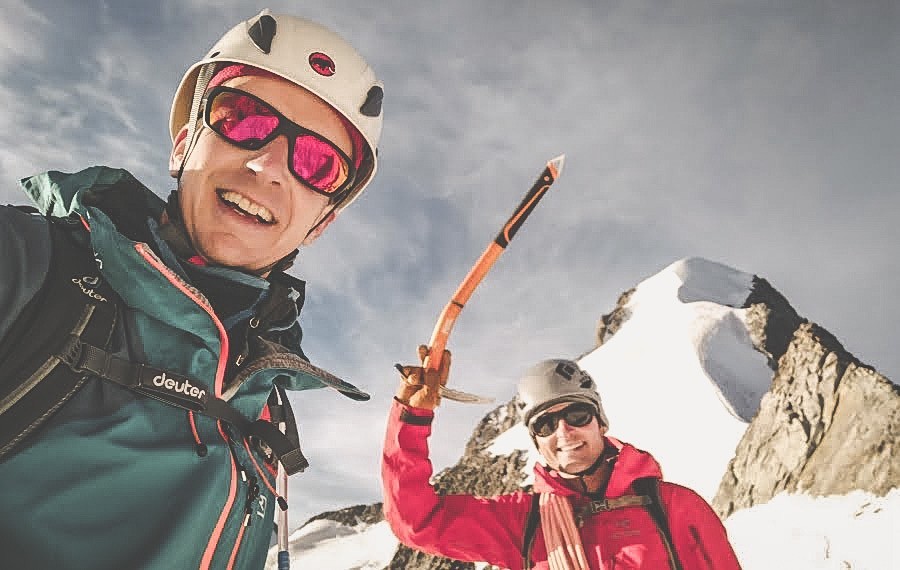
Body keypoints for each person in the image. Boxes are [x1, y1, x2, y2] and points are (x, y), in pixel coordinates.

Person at [0, 9, 383, 569]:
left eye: (318, 165)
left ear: (320, 223)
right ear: (184, 144)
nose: (269, 165)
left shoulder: (264, 402)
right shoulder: (31, 267)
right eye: (245, 119)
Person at [382, 349, 743, 569]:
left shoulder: (675, 506)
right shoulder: (521, 522)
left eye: (578, 416)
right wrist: (411, 420)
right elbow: (416, 521)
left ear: (601, 422)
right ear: (536, 442)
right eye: (545, 424)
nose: (564, 432)